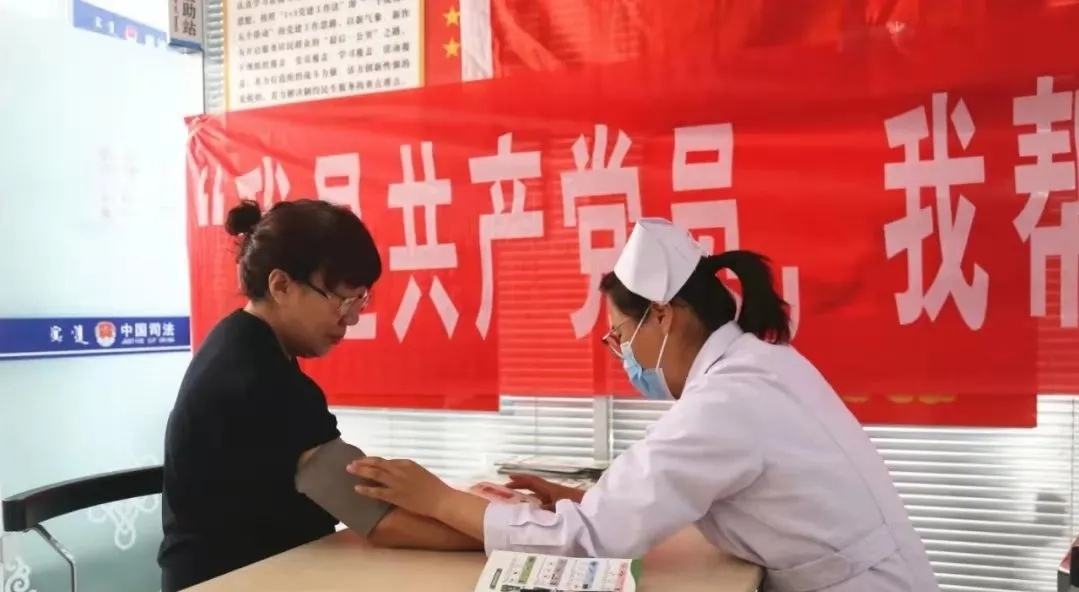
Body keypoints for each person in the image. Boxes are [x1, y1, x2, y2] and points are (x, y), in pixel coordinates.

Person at [346, 217, 941, 592]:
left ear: (662, 315)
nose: (620, 353)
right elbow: (671, 493)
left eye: (619, 335)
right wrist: (583, 499)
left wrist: (440, 498)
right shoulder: (757, 367)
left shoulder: (727, 401)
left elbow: (592, 543)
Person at [158, 199, 481, 592]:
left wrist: (464, 508)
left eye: (360, 301)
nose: (352, 318)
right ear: (281, 285)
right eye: (343, 301)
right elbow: (378, 519)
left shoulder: (239, 341)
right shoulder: (260, 377)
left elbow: (361, 493)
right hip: (233, 580)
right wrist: (500, 533)